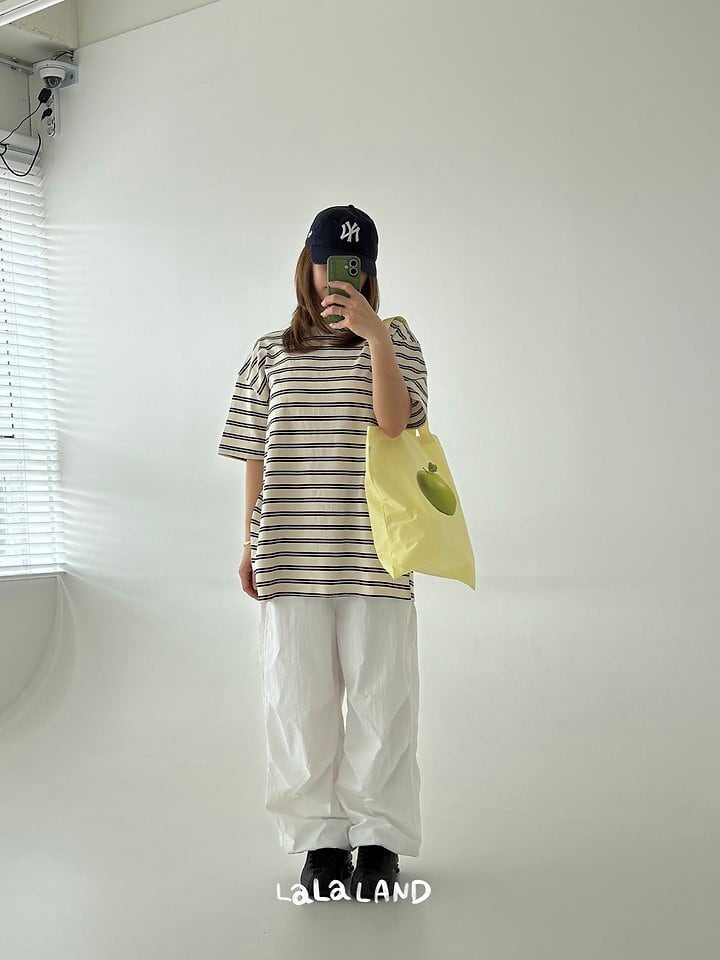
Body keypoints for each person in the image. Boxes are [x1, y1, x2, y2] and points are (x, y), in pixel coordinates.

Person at [218, 204, 429, 901]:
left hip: (376, 551)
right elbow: (255, 454)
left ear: (369, 272)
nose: (340, 276)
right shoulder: (268, 353)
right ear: (306, 265)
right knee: (296, 699)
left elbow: (396, 427)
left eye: (356, 265)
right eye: (328, 263)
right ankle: (320, 842)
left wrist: (376, 339)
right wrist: (249, 543)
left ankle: (379, 840)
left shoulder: (397, 341)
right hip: (290, 546)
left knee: (381, 700)